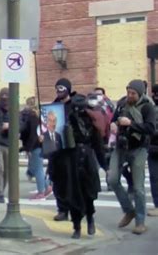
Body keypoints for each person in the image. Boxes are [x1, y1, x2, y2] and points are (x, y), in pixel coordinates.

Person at [50, 93, 102, 239]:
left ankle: (90, 220)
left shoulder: (90, 121)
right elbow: (55, 142)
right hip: (70, 161)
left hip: (86, 159)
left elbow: (97, 143)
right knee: (72, 194)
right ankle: (77, 227)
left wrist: (105, 164)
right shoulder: (63, 121)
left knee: (88, 193)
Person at [108, 79, 155, 235]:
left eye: (133, 93)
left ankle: (140, 222)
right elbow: (113, 119)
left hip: (139, 148)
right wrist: (113, 124)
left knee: (138, 188)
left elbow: (150, 128)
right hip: (121, 147)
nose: (130, 95)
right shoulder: (122, 103)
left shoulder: (148, 107)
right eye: (128, 92)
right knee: (113, 179)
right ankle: (129, 210)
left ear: (140, 93)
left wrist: (131, 124)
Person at [49, 78, 74, 221]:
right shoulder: (53, 106)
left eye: (62, 88)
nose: (59, 91)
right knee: (57, 179)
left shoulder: (74, 105)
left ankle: (73, 207)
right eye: (57, 88)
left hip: (70, 149)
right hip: (56, 148)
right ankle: (62, 209)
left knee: (70, 179)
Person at [21, 97, 52, 200]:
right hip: (40, 144)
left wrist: (28, 148)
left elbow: (32, 135)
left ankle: (41, 192)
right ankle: (47, 187)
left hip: (34, 146)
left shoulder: (31, 116)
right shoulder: (40, 116)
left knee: (38, 169)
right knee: (37, 167)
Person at [148, 84, 158, 217]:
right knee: (154, 178)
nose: (155, 96)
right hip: (152, 148)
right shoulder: (152, 108)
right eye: (154, 94)